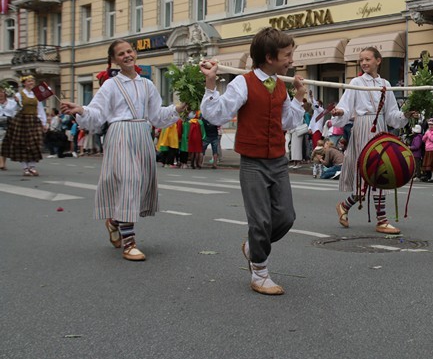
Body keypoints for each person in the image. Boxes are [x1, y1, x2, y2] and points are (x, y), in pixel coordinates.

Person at [199, 27, 306, 296]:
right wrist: (211, 84)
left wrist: (299, 97)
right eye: (287, 55)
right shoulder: (241, 83)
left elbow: (288, 122)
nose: (291, 60)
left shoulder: (281, 84)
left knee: (285, 217)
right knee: (260, 221)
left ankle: (251, 246)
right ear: (270, 57)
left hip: (278, 160)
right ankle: (260, 272)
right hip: (253, 162)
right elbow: (216, 115)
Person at [61, 40, 185, 262]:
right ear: (115, 59)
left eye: (129, 51)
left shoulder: (148, 84)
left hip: (142, 135)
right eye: (121, 53)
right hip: (120, 135)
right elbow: (98, 114)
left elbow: (156, 115)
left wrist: (178, 108)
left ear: (135, 54)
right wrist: (81, 109)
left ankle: (114, 222)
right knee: (128, 182)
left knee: (139, 184)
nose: (127, 55)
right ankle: (129, 242)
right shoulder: (110, 85)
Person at [332, 47, 413, 235]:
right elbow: (345, 105)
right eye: (361, 60)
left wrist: (405, 114)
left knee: (378, 171)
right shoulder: (356, 82)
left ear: (378, 60)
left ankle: (345, 206)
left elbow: (392, 114)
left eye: (367, 59)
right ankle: (381, 220)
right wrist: (340, 112)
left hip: (380, 128)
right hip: (362, 127)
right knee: (371, 172)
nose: (364, 63)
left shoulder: (385, 83)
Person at [1, 75, 47, 176]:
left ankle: (32, 166)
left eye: (32, 81)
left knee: (35, 143)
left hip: (34, 120)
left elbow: (40, 109)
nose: (32, 83)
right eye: (29, 81)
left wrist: (44, 123)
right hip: (22, 121)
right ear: (24, 83)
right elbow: (13, 110)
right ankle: (25, 168)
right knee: (23, 145)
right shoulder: (19, 94)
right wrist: (17, 103)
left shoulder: (37, 94)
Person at [0, 88, 19, 170]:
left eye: (1, 92)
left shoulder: (11, 102)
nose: (0, 94)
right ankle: (1, 163)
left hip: (9, 123)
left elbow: (18, 108)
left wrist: (17, 101)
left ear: (5, 93)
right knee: (0, 143)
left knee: (5, 144)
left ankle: (3, 162)